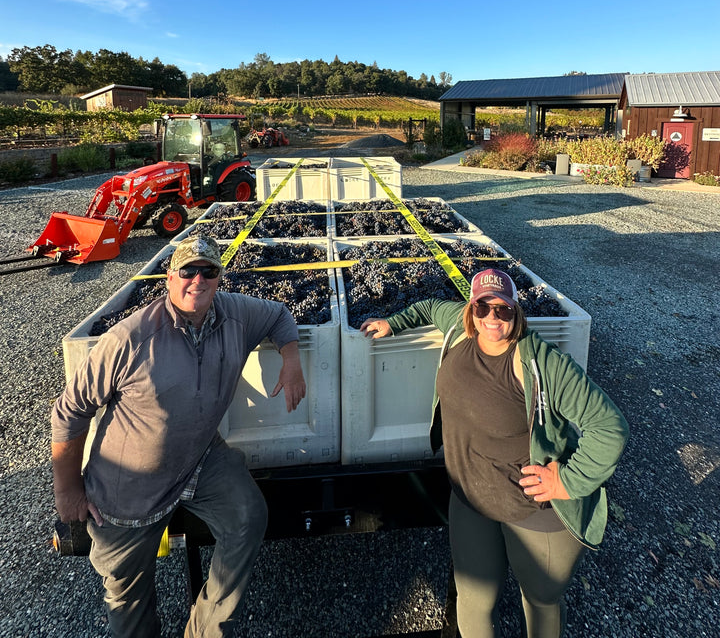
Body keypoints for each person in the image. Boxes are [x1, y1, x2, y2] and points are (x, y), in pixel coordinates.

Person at [51, 234, 306, 638]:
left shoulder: (235, 314)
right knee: (128, 603)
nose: (197, 280)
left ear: (219, 279)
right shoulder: (130, 339)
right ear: (169, 278)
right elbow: (69, 411)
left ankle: (206, 630)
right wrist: (67, 490)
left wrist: (291, 361)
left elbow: (279, 315)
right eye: (188, 271)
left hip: (200, 460)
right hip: (128, 492)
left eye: (208, 272)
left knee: (248, 517)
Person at [360, 268, 629, 638]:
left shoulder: (542, 363)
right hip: (470, 498)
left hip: (532, 511)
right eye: (482, 308)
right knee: (473, 600)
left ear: (516, 312)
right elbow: (426, 307)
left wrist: (566, 482)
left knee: (540, 600)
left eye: (502, 310)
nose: (491, 319)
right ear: (470, 310)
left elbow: (609, 427)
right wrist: (394, 323)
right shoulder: (457, 324)